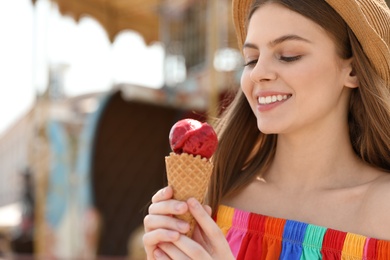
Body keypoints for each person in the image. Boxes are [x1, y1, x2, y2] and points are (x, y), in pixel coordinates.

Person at [143, 0, 390, 258]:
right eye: (250, 59)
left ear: (352, 70)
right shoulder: (211, 201)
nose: (258, 73)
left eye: (288, 55)